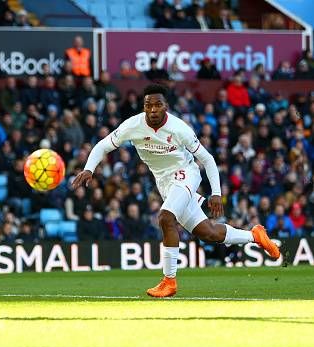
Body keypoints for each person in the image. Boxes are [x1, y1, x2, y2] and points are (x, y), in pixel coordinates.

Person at [71, 84, 280, 298]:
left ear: (166, 107)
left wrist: (216, 192)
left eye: (157, 105)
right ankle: (254, 236)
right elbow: (102, 146)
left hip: (186, 174)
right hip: (165, 183)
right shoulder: (132, 125)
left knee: (165, 217)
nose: (152, 110)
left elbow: (207, 159)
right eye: (148, 105)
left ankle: (169, 281)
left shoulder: (180, 128)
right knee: (207, 233)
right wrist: (89, 169)